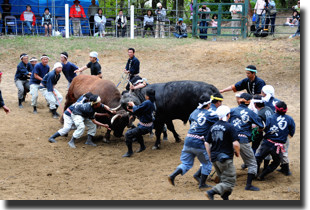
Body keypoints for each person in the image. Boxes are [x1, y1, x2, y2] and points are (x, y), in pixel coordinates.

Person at [168, 95, 218, 189]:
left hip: (188, 140)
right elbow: (217, 123)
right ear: (208, 104)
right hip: (199, 142)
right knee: (207, 163)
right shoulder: (210, 114)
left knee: (186, 163)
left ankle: (173, 175)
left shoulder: (194, 112)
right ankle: (202, 184)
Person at [229, 93, 264, 191]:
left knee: (228, 160)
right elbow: (261, 125)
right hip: (243, 140)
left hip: (230, 139)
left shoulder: (232, 110)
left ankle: (225, 180)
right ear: (249, 103)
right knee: (252, 163)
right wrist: (257, 130)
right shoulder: (251, 113)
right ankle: (248, 185)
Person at [204, 105, 240, 200]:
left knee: (224, 181)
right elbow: (236, 144)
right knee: (229, 182)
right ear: (228, 115)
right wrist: (237, 152)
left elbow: (206, 142)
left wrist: (209, 155)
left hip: (215, 159)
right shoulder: (230, 126)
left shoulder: (213, 126)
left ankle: (225, 199)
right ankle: (211, 192)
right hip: (225, 158)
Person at [256, 101, 295, 180]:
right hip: (278, 146)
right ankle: (262, 175)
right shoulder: (290, 119)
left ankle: (254, 173)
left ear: (276, 109)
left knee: (258, 158)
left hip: (267, 143)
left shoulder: (270, 118)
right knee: (276, 162)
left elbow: (266, 129)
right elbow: (291, 133)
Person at [193, 93, 224, 184]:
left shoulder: (208, 109)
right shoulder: (215, 112)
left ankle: (199, 175)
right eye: (221, 102)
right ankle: (199, 175)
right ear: (217, 102)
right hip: (210, 138)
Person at [122, 89, 156, 157]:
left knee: (127, 134)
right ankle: (142, 146)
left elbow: (137, 109)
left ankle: (130, 152)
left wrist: (133, 104)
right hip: (148, 125)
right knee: (137, 132)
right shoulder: (152, 102)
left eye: (146, 94)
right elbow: (141, 110)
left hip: (145, 127)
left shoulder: (147, 102)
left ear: (148, 96)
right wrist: (132, 110)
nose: (145, 95)